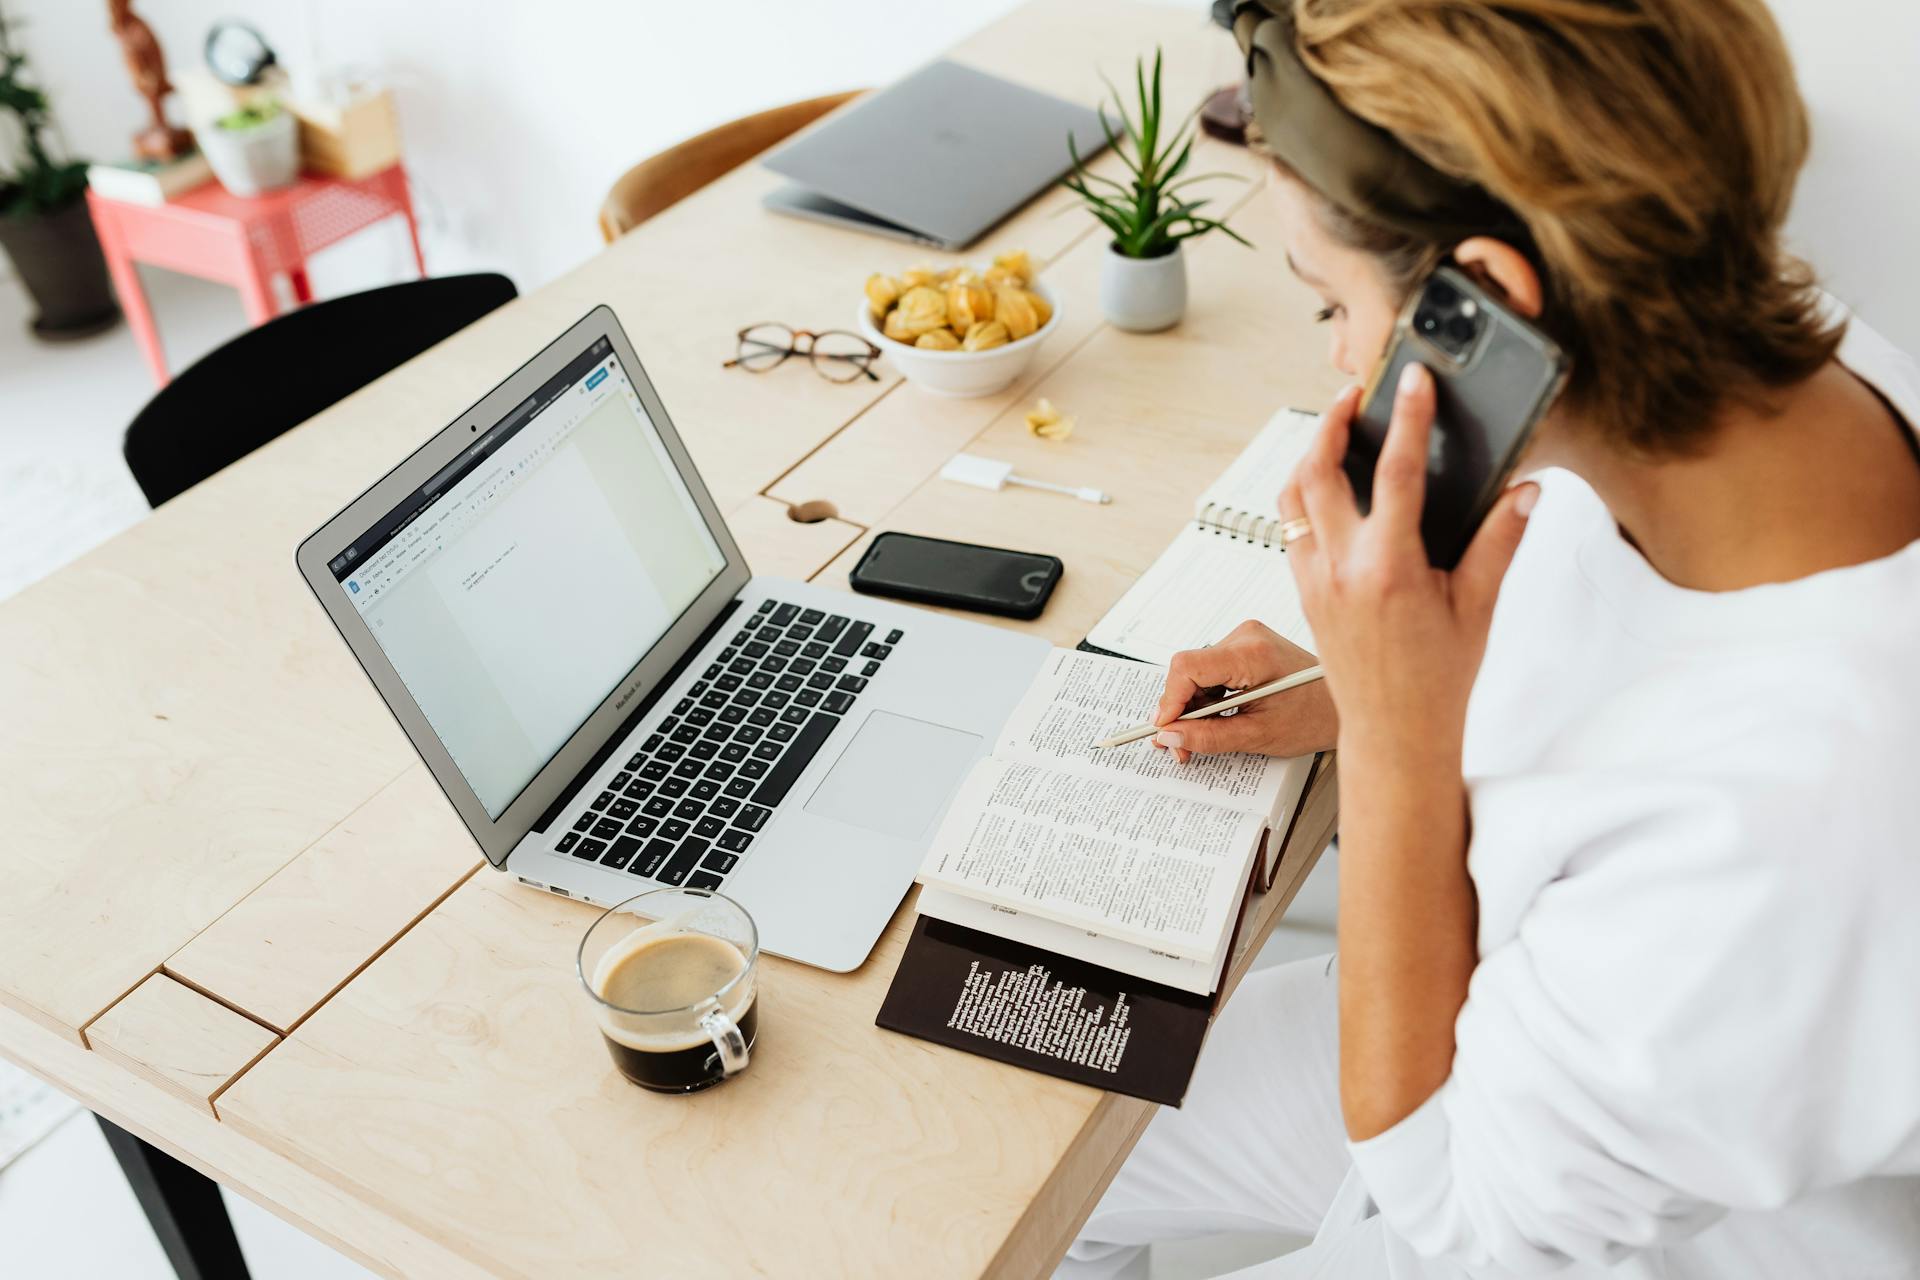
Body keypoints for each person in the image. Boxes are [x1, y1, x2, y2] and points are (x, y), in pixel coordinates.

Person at [1061, 0, 1920, 1276]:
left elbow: (1458, 1213)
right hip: (1522, 1020)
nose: (1337, 372)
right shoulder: (1763, 368)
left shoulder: (1793, 803)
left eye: (1329, 307)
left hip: (1583, 1209)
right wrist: (1352, 691)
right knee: (1059, 1140)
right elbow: (1614, 670)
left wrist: (1400, 731)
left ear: (1485, 308)